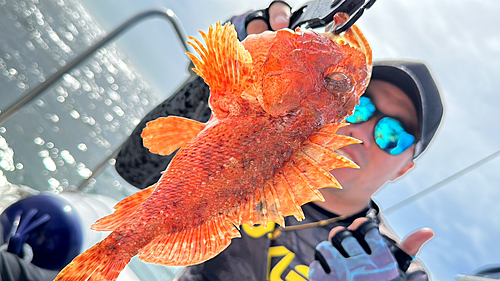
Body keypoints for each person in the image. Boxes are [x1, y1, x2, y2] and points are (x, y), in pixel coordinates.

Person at [115, 1, 444, 280]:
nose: (364, 130)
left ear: (404, 168)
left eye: (394, 135)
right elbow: (134, 167)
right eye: (360, 108)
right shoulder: (248, 143)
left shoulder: (390, 266)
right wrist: (227, 73)